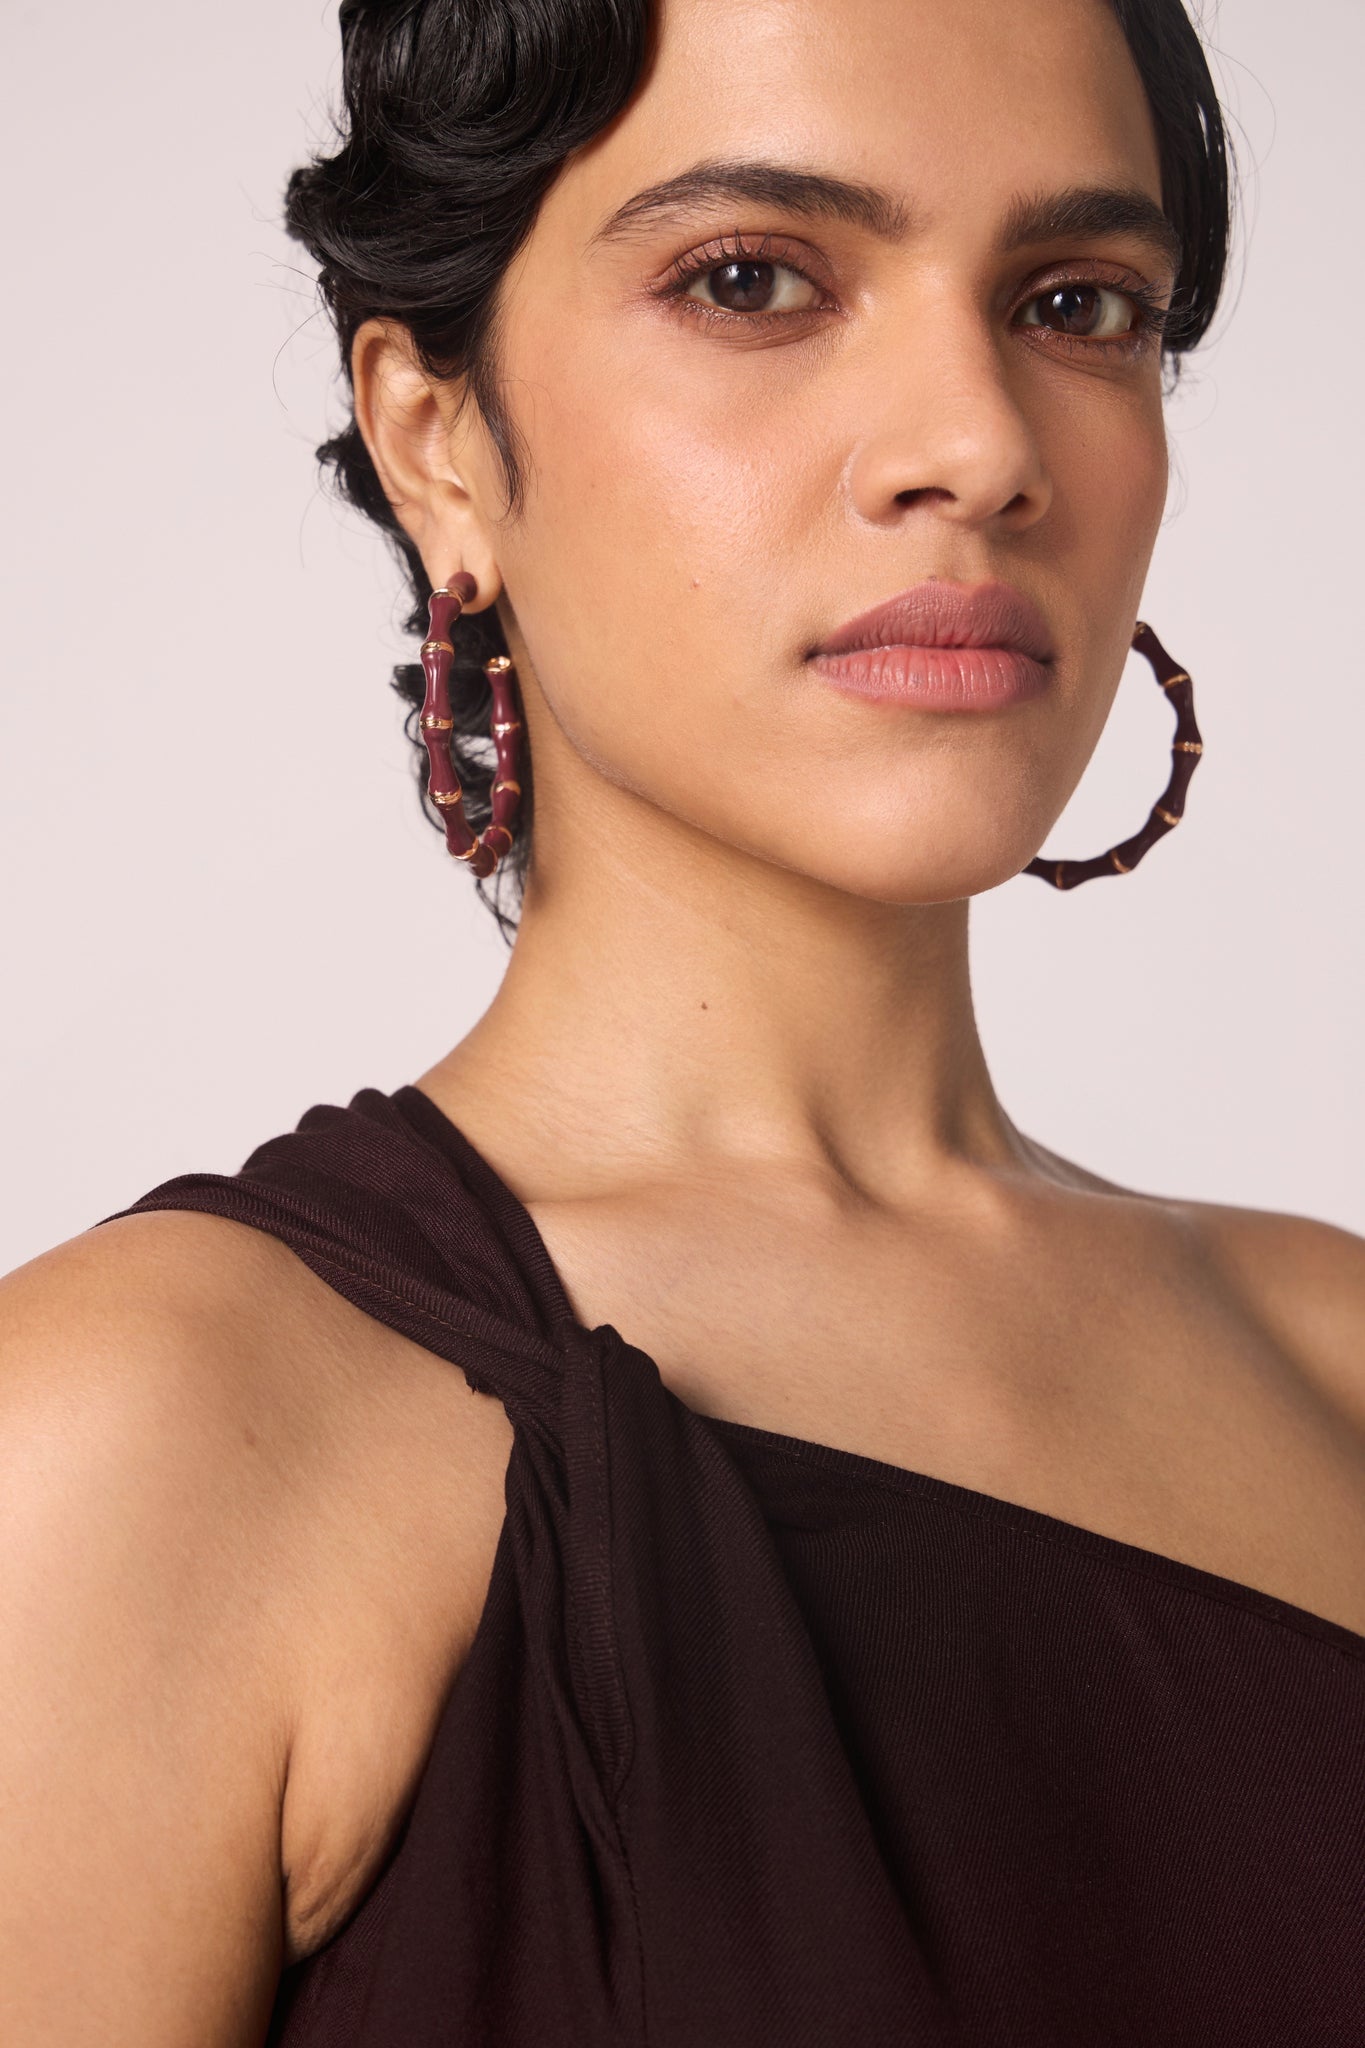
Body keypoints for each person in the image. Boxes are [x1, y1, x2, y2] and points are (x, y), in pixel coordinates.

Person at [2, 0, 1363, 2041]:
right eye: (749, 282)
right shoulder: (142, 1439)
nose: (979, 447)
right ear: (438, 438)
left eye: (1073, 302)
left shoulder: (1338, 1358)